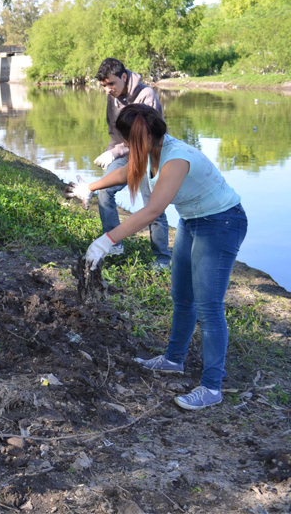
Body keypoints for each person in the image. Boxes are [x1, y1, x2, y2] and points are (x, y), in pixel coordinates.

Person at [67, 104, 247, 410]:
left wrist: (106, 240)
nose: (124, 148)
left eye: (126, 143)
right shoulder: (153, 148)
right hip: (193, 221)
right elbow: (129, 171)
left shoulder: (176, 159)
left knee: (208, 306)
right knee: (182, 296)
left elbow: (152, 211)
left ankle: (212, 386)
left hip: (221, 223)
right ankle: (173, 360)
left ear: (140, 138)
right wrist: (90, 187)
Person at [92, 58, 171, 267]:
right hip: (124, 154)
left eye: (111, 84)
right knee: (104, 191)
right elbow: (115, 132)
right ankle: (114, 245)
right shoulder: (113, 97)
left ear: (124, 77)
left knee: (153, 206)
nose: (108, 90)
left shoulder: (146, 95)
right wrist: (110, 153)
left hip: (147, 154)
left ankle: (162, 258)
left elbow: (144, 138)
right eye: (104, 86)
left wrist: (114, 152)